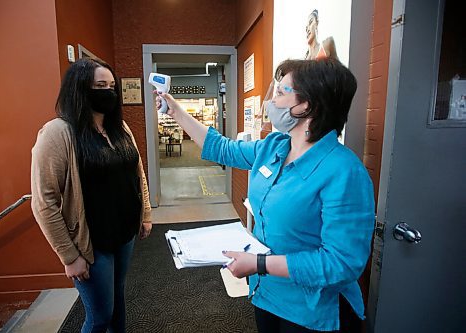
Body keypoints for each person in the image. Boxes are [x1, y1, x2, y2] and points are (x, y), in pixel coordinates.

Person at [156, 58, 374, 332]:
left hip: (312, 310)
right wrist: (174, 110)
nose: (271, 101)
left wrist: (260, 263)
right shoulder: (274, 146)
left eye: (281, 92)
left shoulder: (344, 171)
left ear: (307, 105)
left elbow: (340, 263)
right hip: (267, 293)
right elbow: (222, 148)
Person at [31, 58, 152, 332]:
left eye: (112, 86)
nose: (108, 92)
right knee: (99, 317)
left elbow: (138, 173)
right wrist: (69, 256)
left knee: (117, 301)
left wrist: (145, 214)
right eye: (100, 85)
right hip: (91, 243)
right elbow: (44, 203)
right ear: (80, 89)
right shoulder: (58, 133)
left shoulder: (120, 129)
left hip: (124, 234)